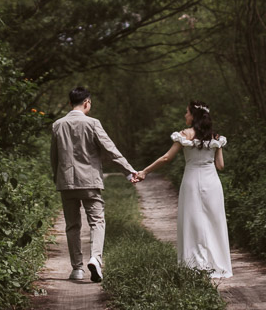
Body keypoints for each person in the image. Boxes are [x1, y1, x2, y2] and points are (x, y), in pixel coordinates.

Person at [50, 86, 144, 283]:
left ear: (69, 103)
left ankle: (77, 269)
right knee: (97, 222)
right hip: (90, 181)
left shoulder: (57, 125)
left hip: (66, 183)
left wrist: (57, 178)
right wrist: (129, 171)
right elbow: (110, 150)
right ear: (87, 102)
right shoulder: (93, 123)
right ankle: (95, 258)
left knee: (72, 225)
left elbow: (54, 158)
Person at [137, 100, 231, 278]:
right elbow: (220, 166)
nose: (185, 115)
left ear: (194, 115)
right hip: (212, 182)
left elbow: (166, 158)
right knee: (213, 221)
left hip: (192, 180)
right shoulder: (216, 138)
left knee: (192, 221)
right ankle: (216, 264)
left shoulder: (184, 135)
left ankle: (194, 264)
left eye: (187, 112)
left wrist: (145, 171)